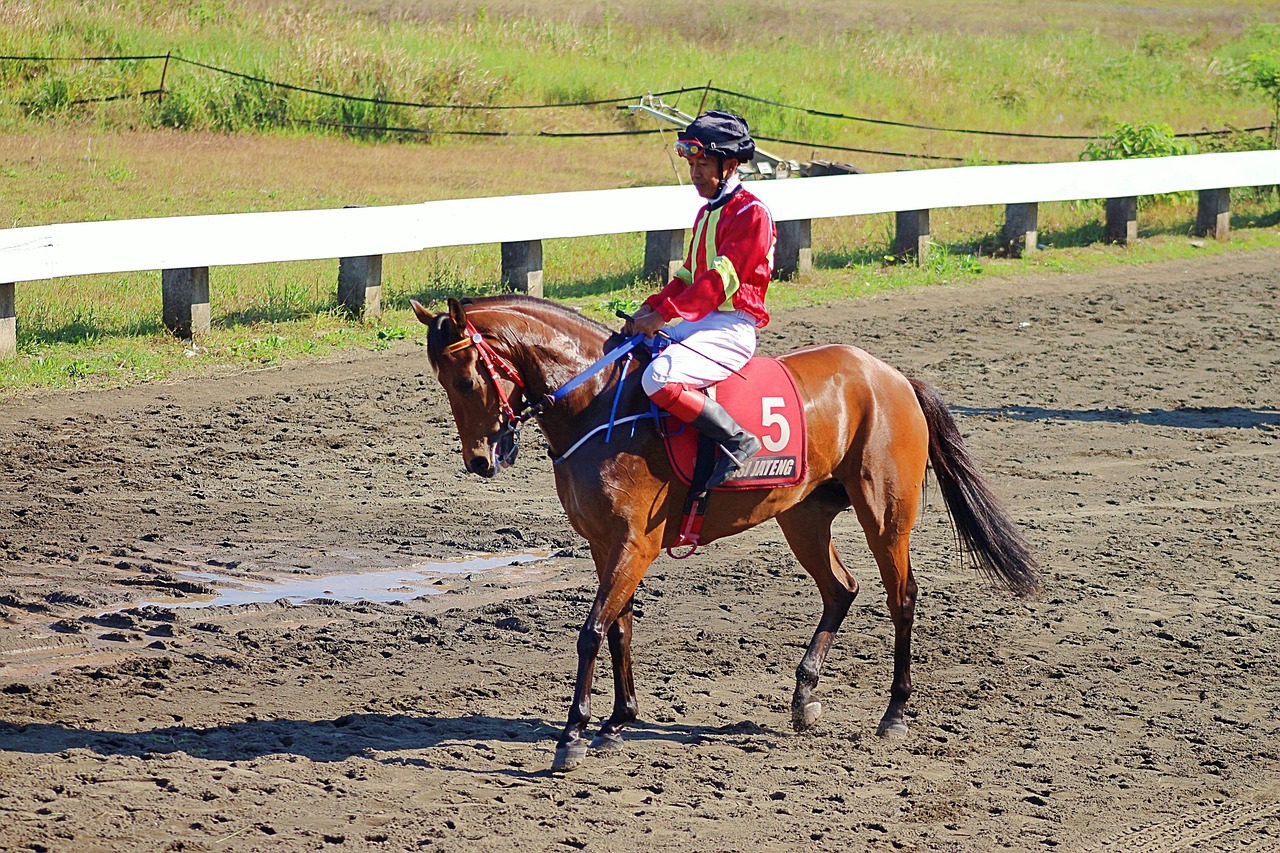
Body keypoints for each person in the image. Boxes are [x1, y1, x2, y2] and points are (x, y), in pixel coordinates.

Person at [625, 110, 777, 490]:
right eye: (691, 165)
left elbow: (719, 281)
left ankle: (736, 439)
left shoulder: (752, 214)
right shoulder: (706, 213)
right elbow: (688, 276)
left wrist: (663, 315)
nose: (694, 174)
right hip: (700, 324)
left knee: (658, 377)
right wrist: (651, 306)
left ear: (730, 165)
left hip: (732, 329)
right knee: (633, 354)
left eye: (703, 164)